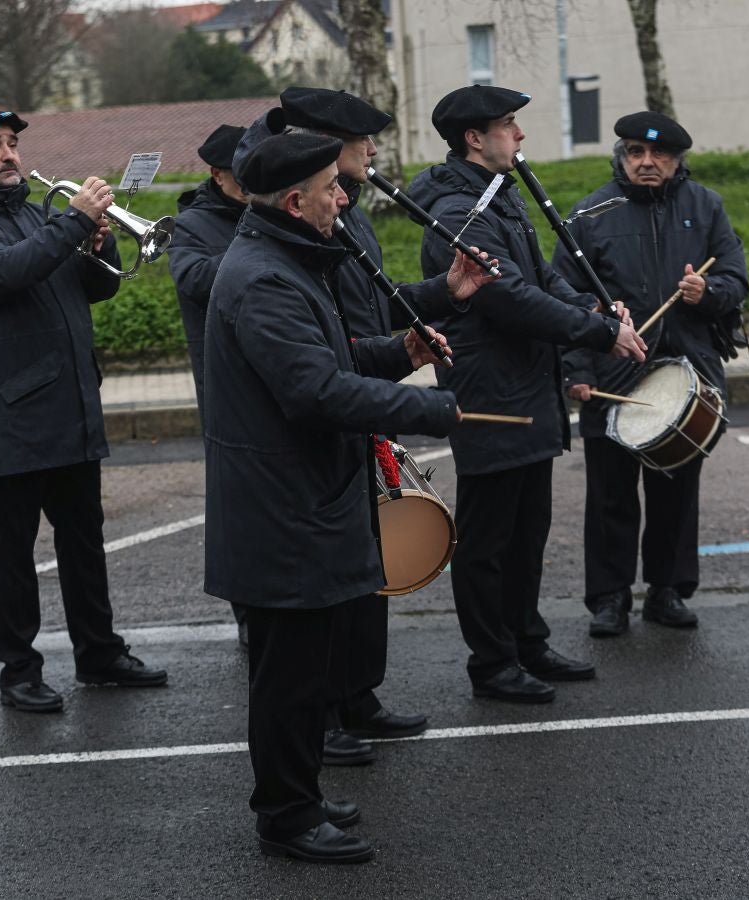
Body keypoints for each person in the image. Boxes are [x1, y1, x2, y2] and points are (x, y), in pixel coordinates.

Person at [203, 131, 493, 863]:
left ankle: (296, 793)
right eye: (333, 187)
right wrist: (430, 407)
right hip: (284, 511)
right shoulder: (265, 278)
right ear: (296, 201)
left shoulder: (284, 260)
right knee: (288, 678)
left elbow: (331, 356)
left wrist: (404, 353)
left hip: (302, 502)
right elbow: (313, 391)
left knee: (304, 673)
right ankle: (286, 817)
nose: (344, 197)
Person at [408, 85, 646, 703]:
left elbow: (543, 280)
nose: (520, 135)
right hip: (492, 392)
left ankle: (525, 639)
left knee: (528, 529)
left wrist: (594, 309)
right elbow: (507, 298)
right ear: (474, 138)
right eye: (509, 125)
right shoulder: (458, 213)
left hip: (527, 390)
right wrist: (599, 331)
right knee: (488, 541)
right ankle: (491, 662)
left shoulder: (497, 198)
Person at [0, 109, 167, 713]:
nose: (9, 155)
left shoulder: (39, 216)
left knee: (84, 542)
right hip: (7, 418)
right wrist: (71, 225)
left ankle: (100, 654)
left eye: (12, 144)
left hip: (69, 405)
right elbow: (8, 272)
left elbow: (94, 288)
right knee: (11, 553)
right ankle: (19, 671)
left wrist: (100, 243)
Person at [278, 86, 456, 762]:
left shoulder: (350, 214)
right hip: (339, 402)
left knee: (367, 556)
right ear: (327, 145)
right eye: (364, 139)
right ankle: (322, 717)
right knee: (333, 568)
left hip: (364, 395)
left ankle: (358, 695)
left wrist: (444, 295)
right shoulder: (304, 223)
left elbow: (375, 307)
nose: (374, 150)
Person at [556, 110, 749, 637]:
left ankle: (667, 590)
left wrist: (708, 294)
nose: (647, 163)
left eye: (658, 155)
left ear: (676, 160)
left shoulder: (705, 207)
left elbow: (736, 278)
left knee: (676, 491)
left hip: (687, 375)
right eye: (636, 154)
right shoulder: (590, 214)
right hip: (611, 373)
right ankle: (609, 598)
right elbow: (565, 298)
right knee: (610, 495)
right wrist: (574, 369)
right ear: (622, 156)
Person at [167, 123, 251, 646]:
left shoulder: (264, 212)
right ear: (218, 175)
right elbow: (195, 279)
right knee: (242, 508)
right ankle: (251, 617)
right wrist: (259, 247)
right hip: (226, 386)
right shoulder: (193, 224)